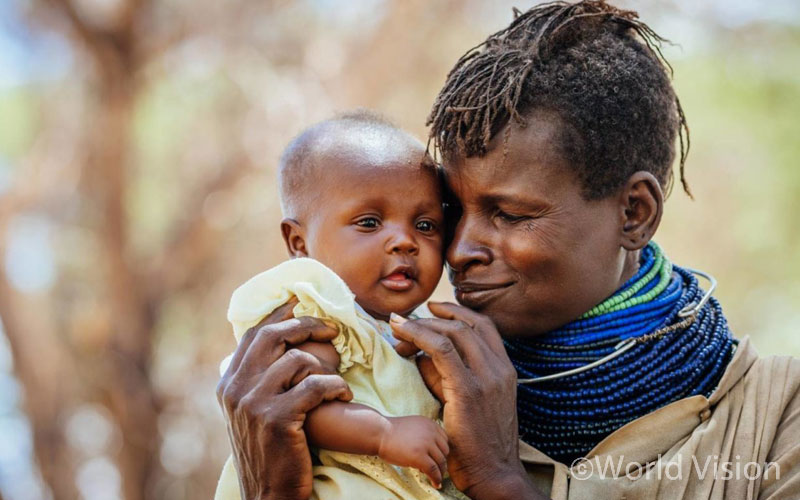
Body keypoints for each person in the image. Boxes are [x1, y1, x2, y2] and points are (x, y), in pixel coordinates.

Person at [216, 2, 800, 499]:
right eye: (451, 213)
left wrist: (500, 478)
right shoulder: (393, 390)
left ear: (634, 213)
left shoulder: (774, 419)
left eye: (511, 214)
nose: (459, 249)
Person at [215, 111, 471, 500]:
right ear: (299, 243)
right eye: (369, 223)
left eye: (425, 225)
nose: (404, 241)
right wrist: (384, 432)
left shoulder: (412, 326)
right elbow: (301, 407)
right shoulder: (320, 316)